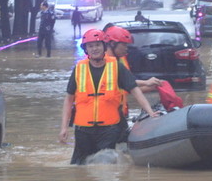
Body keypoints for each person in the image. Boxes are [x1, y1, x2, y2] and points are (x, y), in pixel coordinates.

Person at [59, 29, 158, 165]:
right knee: (79, 168)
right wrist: (64, 127)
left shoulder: (116, 67)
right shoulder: (79, 69)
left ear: (104, 46)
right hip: (83, 131)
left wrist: (150, 112)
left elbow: (135, 90)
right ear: (86, 49)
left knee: (105, 165)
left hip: (109, 129)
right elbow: (69, 99)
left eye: (98, 45)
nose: (95, 49)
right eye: (91, 46)